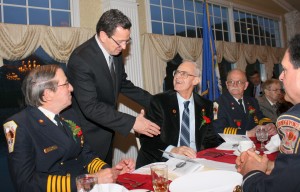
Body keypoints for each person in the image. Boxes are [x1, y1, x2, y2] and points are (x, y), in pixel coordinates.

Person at [3, 65, 135, 191]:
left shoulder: (69, 114)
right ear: (47, 94)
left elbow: (85, 154)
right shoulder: (19, 125)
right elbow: (27, 184)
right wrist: (90, 179)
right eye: (66, 84)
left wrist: (110, 172)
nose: (71, 88)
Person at [67, 9, 160, 164]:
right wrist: (132, 122)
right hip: (87, 137)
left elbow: (122, 84)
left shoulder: (114, 51)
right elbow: (90, 107)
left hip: (108, 132)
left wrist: (157, 103)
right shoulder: (81, 59)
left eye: (127, 41)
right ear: (103, 36)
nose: (124, 47)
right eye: (120, 42)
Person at [235, 34, 300, 192]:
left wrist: (251, 172)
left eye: (285, 69)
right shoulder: (223, 102)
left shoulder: (293, 120)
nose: (281, 76)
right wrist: (272, 165)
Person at [136, 61, 220, 168]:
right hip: (163, 163)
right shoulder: (160, 102)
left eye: (184, 74)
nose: (177, 77)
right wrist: (173, 150)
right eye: (177, 72)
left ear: (195, 80)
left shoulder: (206, 105)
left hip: (195, 161)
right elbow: (148, 141)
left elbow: (210, 139)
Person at [213, 69, 276, 137]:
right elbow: (218, 130)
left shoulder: (252, 101)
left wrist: (268, 124)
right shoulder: (218, 104)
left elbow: (259, 117)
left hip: (253, 144)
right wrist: (247, 133)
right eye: (231, 82)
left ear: (246, 85)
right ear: (227, 85)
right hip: (231, 145)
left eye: (239, 82)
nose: (235, 85)